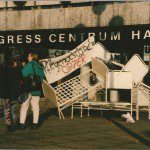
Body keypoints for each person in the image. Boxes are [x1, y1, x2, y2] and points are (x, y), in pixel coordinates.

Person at [19, 53, 45, 130]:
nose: (27, 57)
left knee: (24, 106)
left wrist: (23, 67)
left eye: (28, 56)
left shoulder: (29, 65)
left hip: (28, 89)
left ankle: (22, 124)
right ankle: (35, 124)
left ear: (31, 57)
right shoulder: (40, 66)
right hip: (37, 89)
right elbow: (42, 76)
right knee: (35, 106)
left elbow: (23, 74)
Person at [0, 60, 21, 133]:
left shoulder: (2, 70)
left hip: (4, 93)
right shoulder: (15, 70)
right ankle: (14, 121)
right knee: (13, 108)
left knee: (6, 108)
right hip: (13, 93)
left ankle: (9, 125)